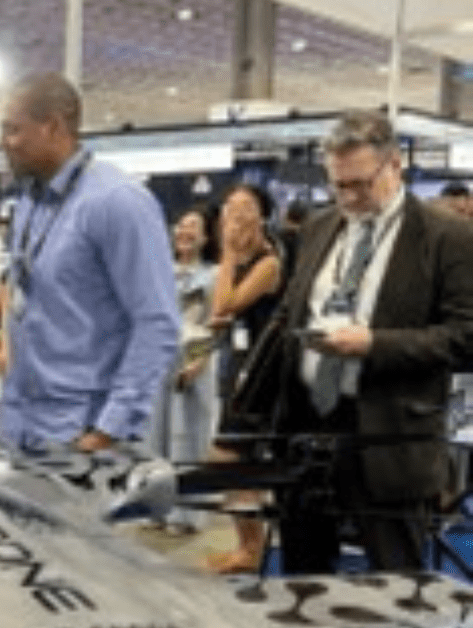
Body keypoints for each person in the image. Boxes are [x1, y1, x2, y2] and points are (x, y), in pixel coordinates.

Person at [265, 110, 473, 573]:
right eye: (339, 185)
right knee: (302, 578)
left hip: (388, 436)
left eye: (361, 184)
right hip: (306, 431)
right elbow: (288, 314)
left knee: (396, 580)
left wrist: (374, 344)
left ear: (395, 165)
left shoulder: (450, 237)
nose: (350, 198)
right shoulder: (319, 227)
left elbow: (465, 337)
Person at [0, 72, 179, 452]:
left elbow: (157, 323)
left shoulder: (118, 201)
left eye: (13, 130)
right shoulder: (30, 200)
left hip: (81, 433)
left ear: (52, 127)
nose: (5, 143)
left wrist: (108, 431)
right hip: (21, 421)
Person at [204, 183, 283, 573]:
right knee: (237, 461)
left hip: (262, 377)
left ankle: (251, 549)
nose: (234, 214)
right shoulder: (241, 262)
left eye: (245, 206)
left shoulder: (269, 263)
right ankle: (248, 547)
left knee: (230, 458)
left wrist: (227, 254)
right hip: (238, 370)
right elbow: (222, 315)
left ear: (262, 215)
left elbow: (223, 304)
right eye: (229, 206)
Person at [146, 206, 218, 534]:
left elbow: (212, 323)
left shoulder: (213, 275)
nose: (184, 232)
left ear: (206, 237)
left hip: (191, 359)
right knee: (155, 437)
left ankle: (186, 515)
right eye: (181, 226)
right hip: (157, 360)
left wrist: (198, 361)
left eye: (193, 227)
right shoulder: (159, 270)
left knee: (187, 437)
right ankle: (155, 508)